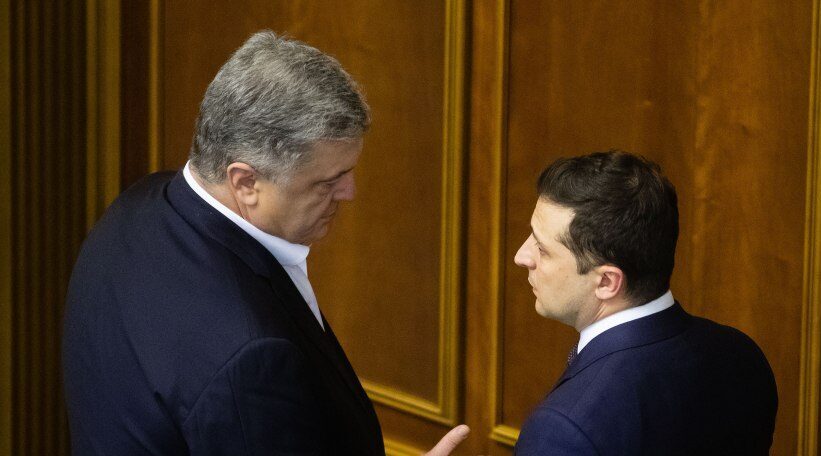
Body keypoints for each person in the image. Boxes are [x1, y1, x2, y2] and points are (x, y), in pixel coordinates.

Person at [62, 30, 468, 455]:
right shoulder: (250, 359)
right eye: (327, 182)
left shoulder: (138, 207)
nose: (349, 192)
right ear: (245, 182)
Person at [512, 151, 777, 455]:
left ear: (607, 282)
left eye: (542, 248)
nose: (522, 256)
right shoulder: (741, 356)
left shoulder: (563, 430)